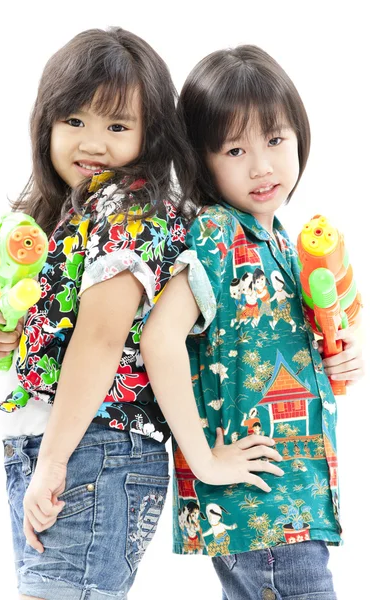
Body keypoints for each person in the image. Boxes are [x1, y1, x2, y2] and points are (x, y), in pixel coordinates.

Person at [0, 26, 198, 600]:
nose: (91, 142)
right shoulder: (77, 215)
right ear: (45, 124)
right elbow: (77, 330)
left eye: (117, 126)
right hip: (72, 447)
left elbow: (102, 341)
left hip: (91, 450)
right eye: (74, 121)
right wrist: (11, 333)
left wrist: (51, 464)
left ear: (151, 136)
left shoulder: (127, 205)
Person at [141, 45, 364, 599]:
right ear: (201, 160)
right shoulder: (219, 233)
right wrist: (204, 460)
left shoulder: (283, 242)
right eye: (235, 149)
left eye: (275, 140)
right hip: (264, 510)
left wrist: (337, 353)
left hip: (291, 505)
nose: (262, 166)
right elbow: (160, 336)